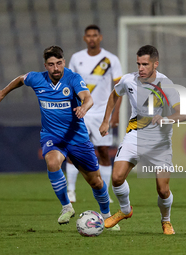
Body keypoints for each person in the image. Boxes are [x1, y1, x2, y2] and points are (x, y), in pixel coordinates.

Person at [0, 46, 119, 230]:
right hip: (52, 136)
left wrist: (84, 107)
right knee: (52, 163)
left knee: (96, 182)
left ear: (64, 62)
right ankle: (67, 207)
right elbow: (21, 79)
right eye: (51, 65)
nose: (56, 68)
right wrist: (3, 92)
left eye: (59, 63)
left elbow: (88, 98)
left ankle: (107, 215)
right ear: (46, 66)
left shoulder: (73, 78)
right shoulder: (37, 78)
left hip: (77, 137)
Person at [99, 45, 186, 235]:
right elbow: (115, 95)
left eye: (145, 64)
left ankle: (166, 220)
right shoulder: (128, 80)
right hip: (135, 135)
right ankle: (125, 210)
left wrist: (165, 119)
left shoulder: (166, 84)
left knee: (163, 190)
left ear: (156, 64)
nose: (140, 68)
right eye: (138, 63)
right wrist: (106, 121)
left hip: (160, 141)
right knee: (116, 178)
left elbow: (182, 114)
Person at [66, 25, 123, 203]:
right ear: (85, 38)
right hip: (81, 111)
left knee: (104, 152)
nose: (91, 38)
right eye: (88, 36)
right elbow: (70, 84)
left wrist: (115, 114)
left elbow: (118, 89)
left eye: (95, 36)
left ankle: (104, 192)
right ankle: (71, 190)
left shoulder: (111, 59)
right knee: (73, 151)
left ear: (100, 37)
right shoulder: (77, 58)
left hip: (101, 114)